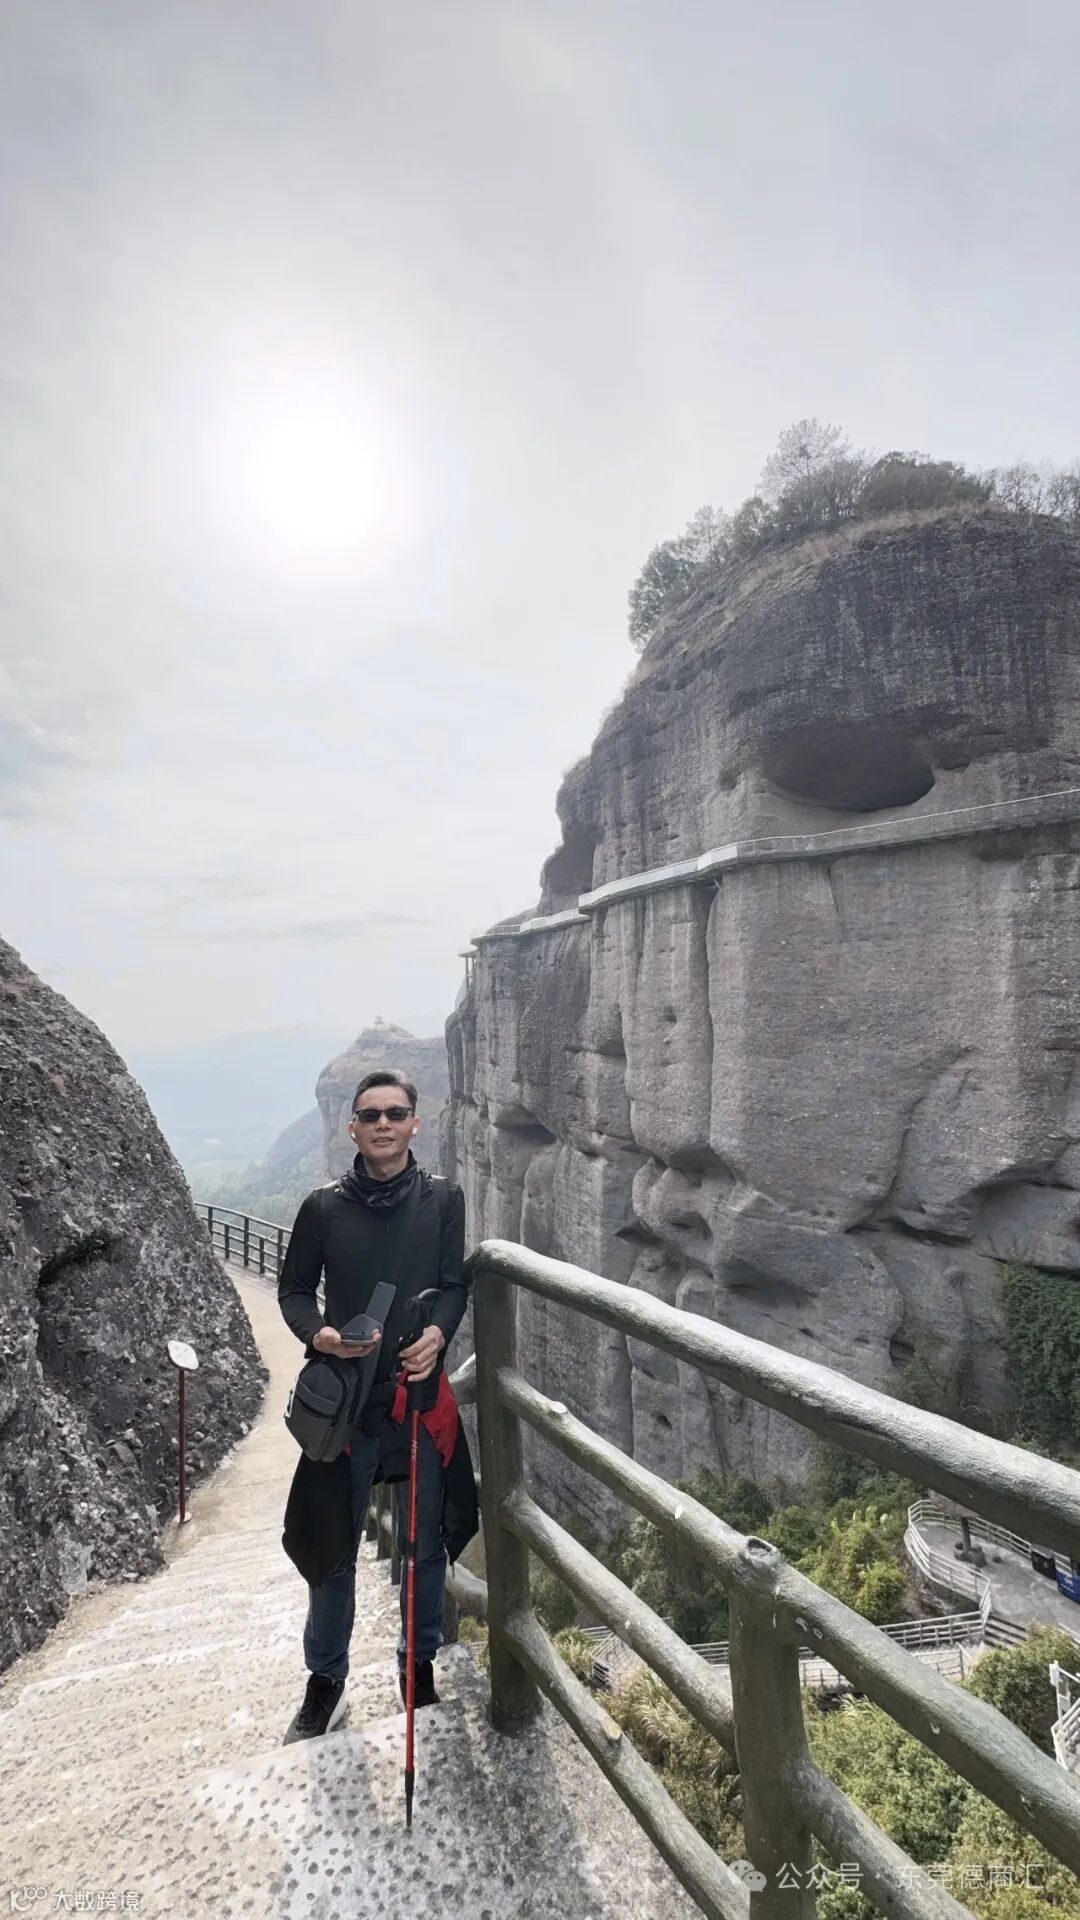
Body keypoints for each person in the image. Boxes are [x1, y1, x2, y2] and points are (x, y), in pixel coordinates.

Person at [277, 1067, 468, 1743]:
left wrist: (440, 1333)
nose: (383, 1124)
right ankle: (325, 1681)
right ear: (351, 1127)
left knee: (424, 1546)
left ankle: (417, 1666)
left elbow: (453, 1284)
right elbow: (294, 1291)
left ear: (415, 1122)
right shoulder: (322, 1209)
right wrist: (319, 1335)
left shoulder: (444, 1200)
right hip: (347, 1406)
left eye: (394, 1113)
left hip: (417, 1398)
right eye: (370, 1115)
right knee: (333, 1544)